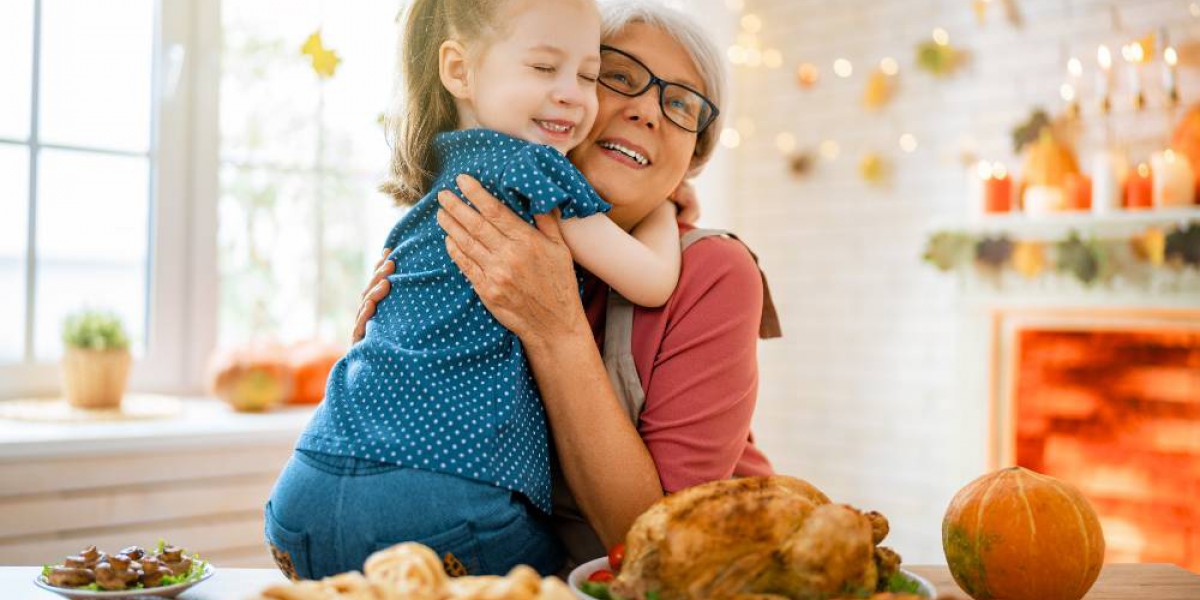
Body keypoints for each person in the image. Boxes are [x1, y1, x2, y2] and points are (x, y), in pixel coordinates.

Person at [265, 0, 689, 581]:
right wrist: (665, 211)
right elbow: (653, 279)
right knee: (563, 576)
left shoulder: (439, 175)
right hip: (442, 505)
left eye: (587, 76)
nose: (571, 93)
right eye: (544, 68)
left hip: (304, 491)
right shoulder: (534, 170)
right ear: (459, 71)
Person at [353, 0, 781, 571]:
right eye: (618, 77)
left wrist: (555, 327)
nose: (649, 112)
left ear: (693, 158)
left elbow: (664, 550)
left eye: (680, 104)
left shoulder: (716, 272)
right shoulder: (482, 229)